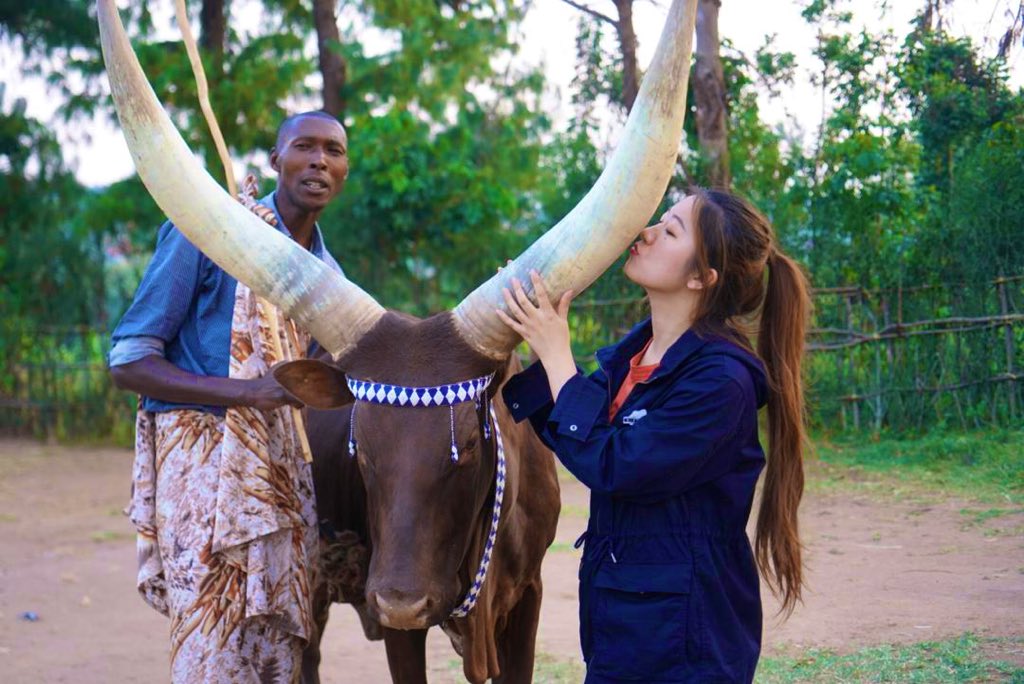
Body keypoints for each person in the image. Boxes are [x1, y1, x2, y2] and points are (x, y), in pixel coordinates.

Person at [498, 188, 810, 683]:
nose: (645, 234)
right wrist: (530, 335)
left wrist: (559, 358)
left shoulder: (720, 383)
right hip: (623, 622)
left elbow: (617, 465)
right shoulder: (634, 358)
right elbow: (579, 434)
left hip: (687, 637)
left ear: (701, 277)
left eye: (670, 231)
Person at [108, 110, 348, 683]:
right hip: (203, 477)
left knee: (278, 649)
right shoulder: (212, 231)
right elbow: (129, 360)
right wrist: (247, 393)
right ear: (276, 160)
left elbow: (324, 371)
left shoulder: (325, 274)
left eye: (334, 151)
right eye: (304, 147)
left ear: (343, 170)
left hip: (283, 475)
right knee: (211, 648)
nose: (319, 160)